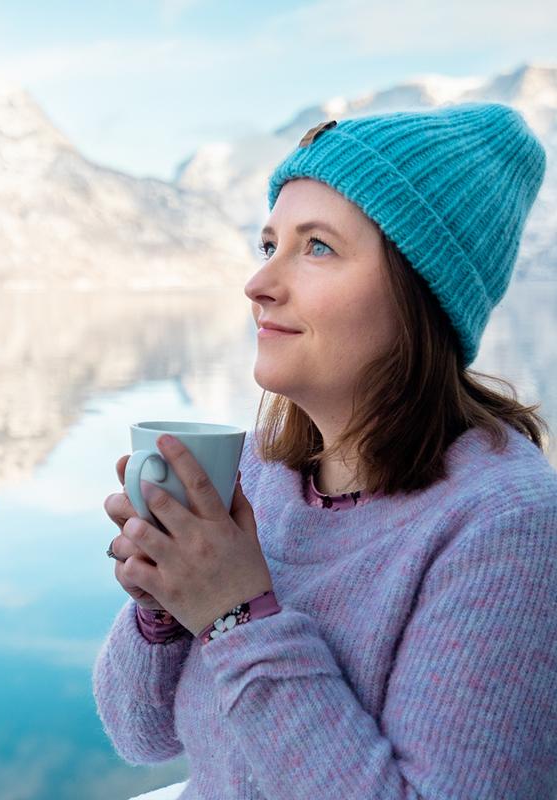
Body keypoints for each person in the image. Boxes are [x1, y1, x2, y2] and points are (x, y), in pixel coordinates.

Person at [93, 103, 557, 799]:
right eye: (268, 244)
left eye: (317, 248)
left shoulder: (505, 526)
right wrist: (164, 605)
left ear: (420, 292)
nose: (259, 285)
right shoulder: (257, 475)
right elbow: (142, 736)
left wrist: (237, 616)